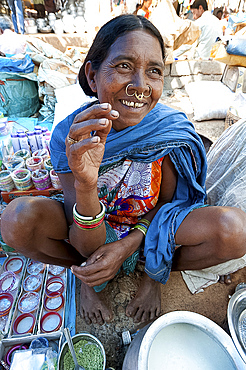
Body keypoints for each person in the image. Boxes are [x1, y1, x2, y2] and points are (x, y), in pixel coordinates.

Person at [1, 14, 246, 326]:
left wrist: (129, 246)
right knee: (16, 221)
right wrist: (87, 185)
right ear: (92, 75)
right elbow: (82, 238)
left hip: (147, 228)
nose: (140, 86)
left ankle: (153, 272)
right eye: (123, 66)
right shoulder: (72, 136)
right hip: (90, 231)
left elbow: (167, 209)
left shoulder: (168, 131)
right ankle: (86, 276)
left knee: (235, 231)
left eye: (154, 71)